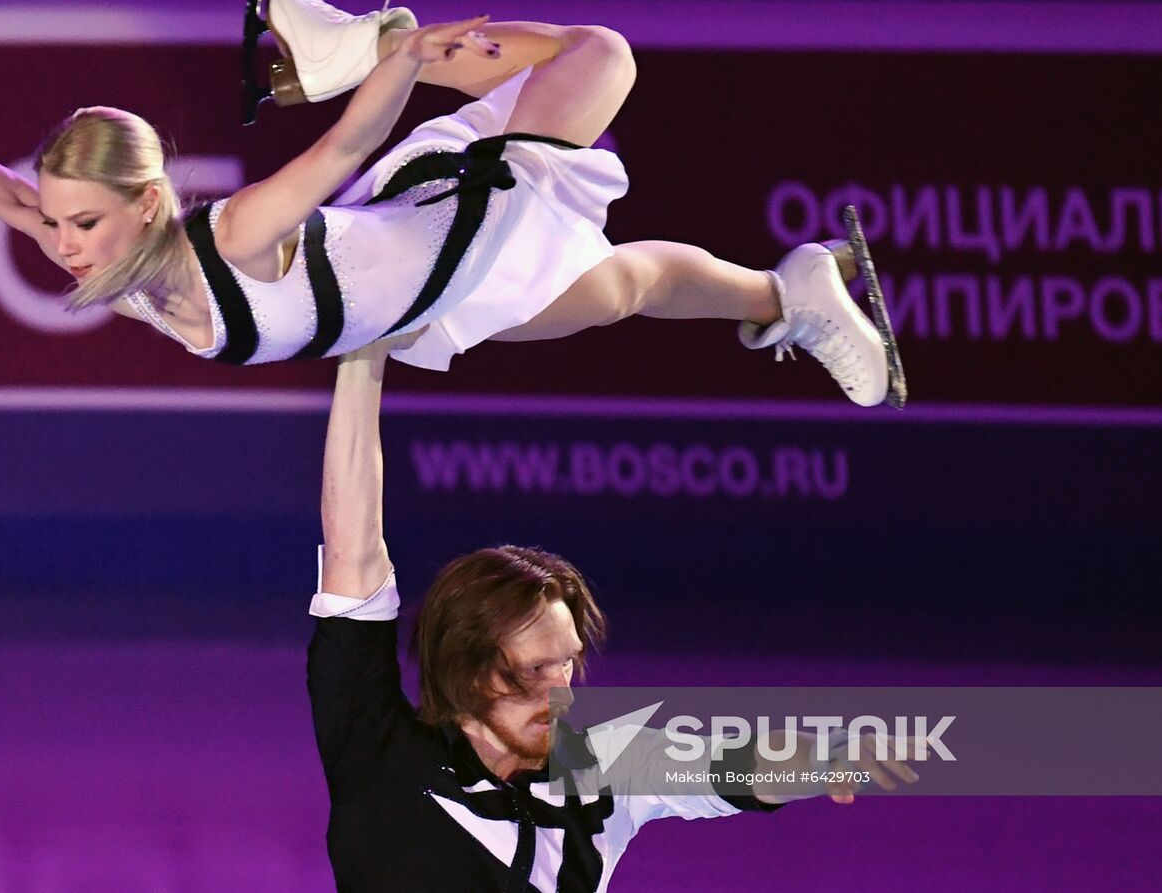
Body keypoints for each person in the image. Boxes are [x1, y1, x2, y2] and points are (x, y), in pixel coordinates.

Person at [0, 0, 898, 406]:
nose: (59, 244)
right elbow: (17, 202)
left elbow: (341, 155)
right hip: (430, 295)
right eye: (57, 224)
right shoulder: (125, 268)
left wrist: (391, 64)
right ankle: (788, 292)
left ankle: (355, 39)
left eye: (80, 222)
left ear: (145, 204)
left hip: (461, 218)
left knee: (601, 54)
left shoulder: (228, 238)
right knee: (620, 289)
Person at [307, 332, 922, 891]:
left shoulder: (604, 768)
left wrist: (819, 758)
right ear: (466, 670)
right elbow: (353, 551)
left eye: (567, 665)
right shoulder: (375, 746)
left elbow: (730, 764)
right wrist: (367, 348)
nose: (560, 692)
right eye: (532, 671)